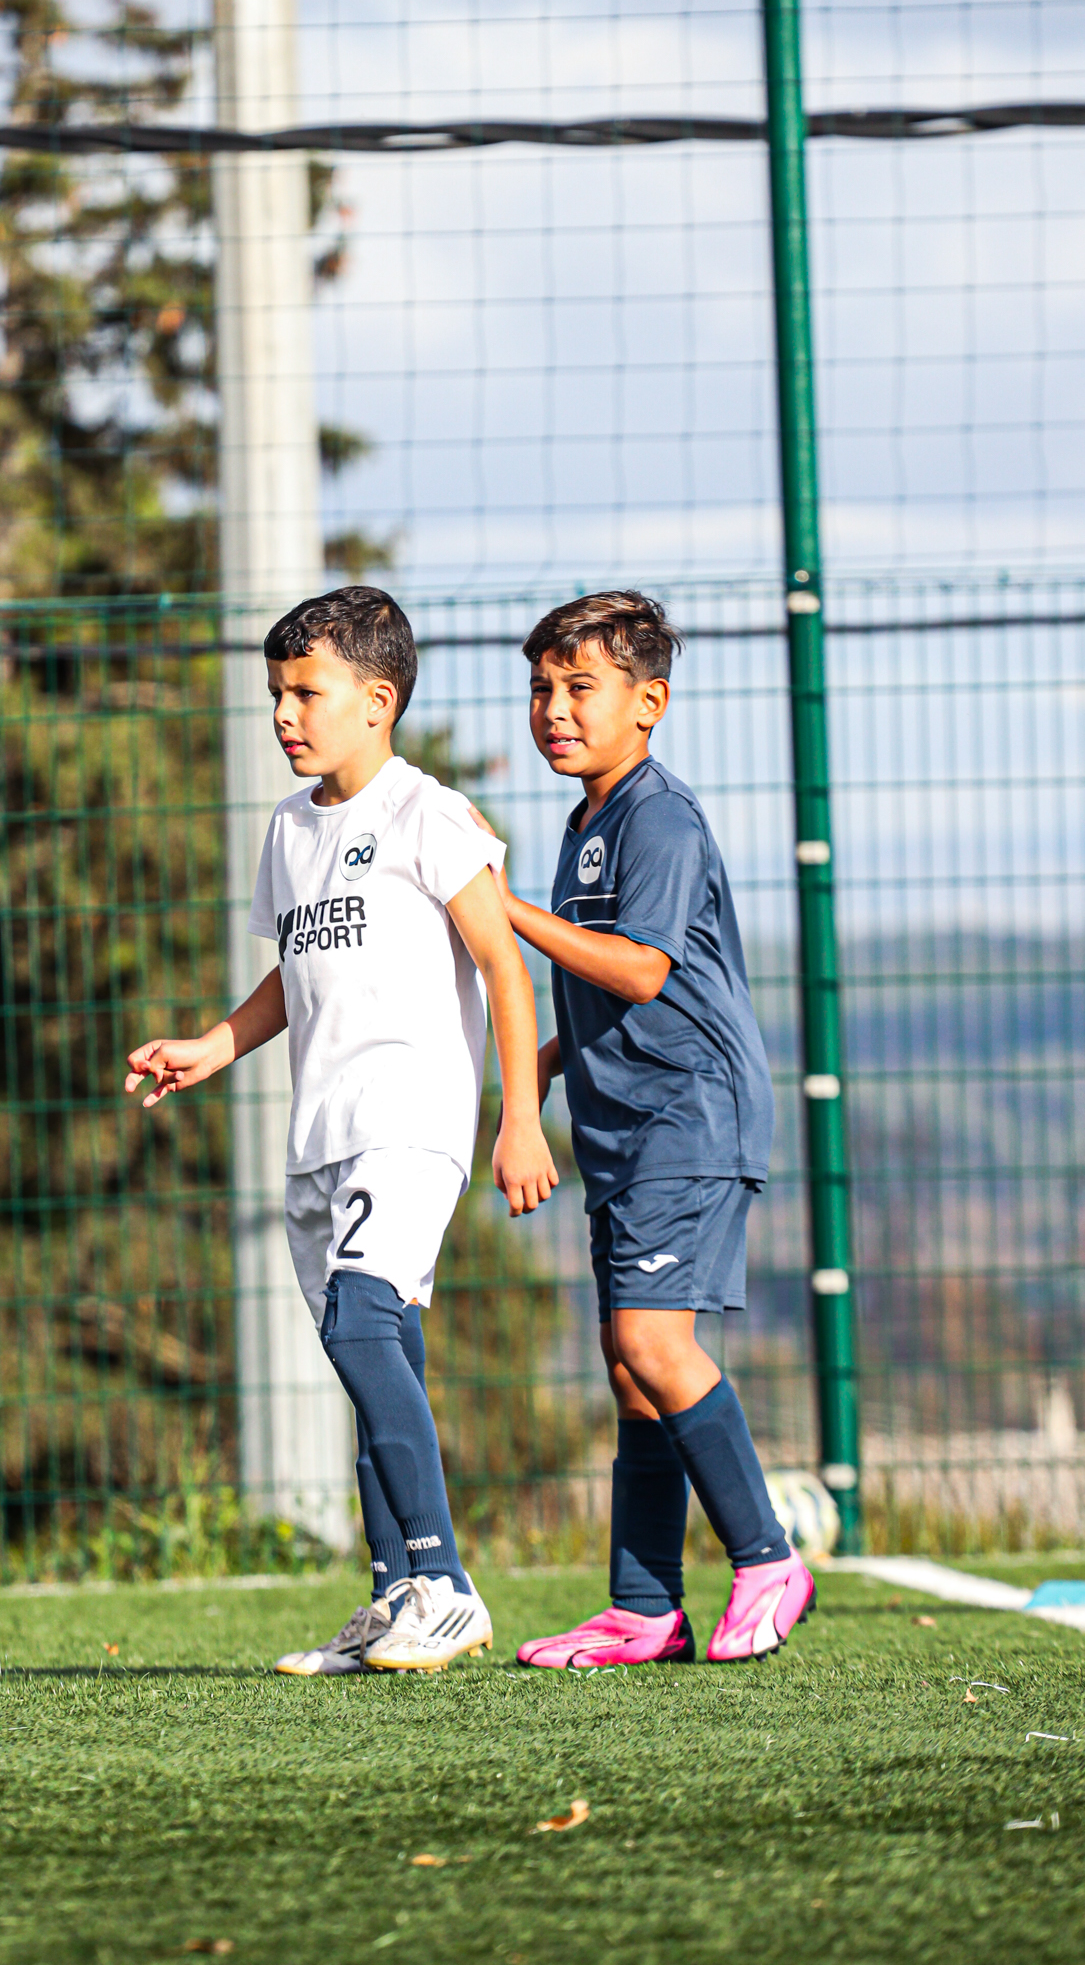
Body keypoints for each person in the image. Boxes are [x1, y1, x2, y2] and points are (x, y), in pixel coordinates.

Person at [127, 586, 557, 1674]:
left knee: (365, 1326)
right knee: (376, 1354)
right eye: (276, 693)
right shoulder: (288, 828)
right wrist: (215, 1045)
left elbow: (506, 963)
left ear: (379, 699)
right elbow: (295, 972)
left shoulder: (430, 814)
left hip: (412, 1122)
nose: (284, 713)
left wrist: (518, 1117)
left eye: (305, 691)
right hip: (318, 1136)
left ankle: (444, 1582)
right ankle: (393, 1595)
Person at [480, 590, 814, 1666]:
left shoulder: (658, 817)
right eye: (541, 688)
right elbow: (595, 1003)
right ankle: (642, 1605)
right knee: (629, 1369)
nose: (554, 709)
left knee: (651, 1343)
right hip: (623, 1126)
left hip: (689, 1113)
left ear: (649, 700)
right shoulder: (586, 822)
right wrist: (520, 1090)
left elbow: (638, 968)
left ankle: (767, 1557)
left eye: (581, 687)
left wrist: (506, 913)